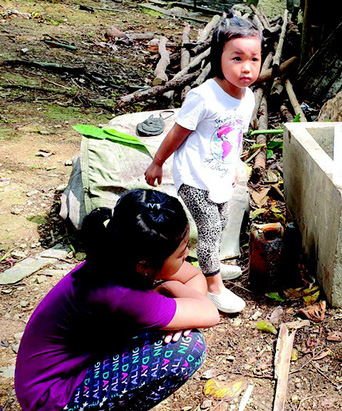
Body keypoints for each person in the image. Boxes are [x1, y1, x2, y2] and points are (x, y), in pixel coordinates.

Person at [15, 189, 219, 411]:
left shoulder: (117, 256)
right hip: (52, 394)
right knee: (188, 349)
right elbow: (209, 312)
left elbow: (194, 277)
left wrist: (178, 301)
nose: (188, 254)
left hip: (67, 366)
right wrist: (171, 287)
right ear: (144, 266)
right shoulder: (121, 295)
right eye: (181, 254)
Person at [144, 16, 262, 314]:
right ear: (218, 57)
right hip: (195, 177)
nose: (246, 67)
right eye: (237, 58)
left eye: (254, 59)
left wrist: (235, 162)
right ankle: (213, 287)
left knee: (220, 223)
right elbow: (177, 132)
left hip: (220, 174)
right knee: (209, 227)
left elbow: (236, 136)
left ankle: (213, 265)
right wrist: (158, 163)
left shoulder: (247, 97)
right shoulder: (204, 97)